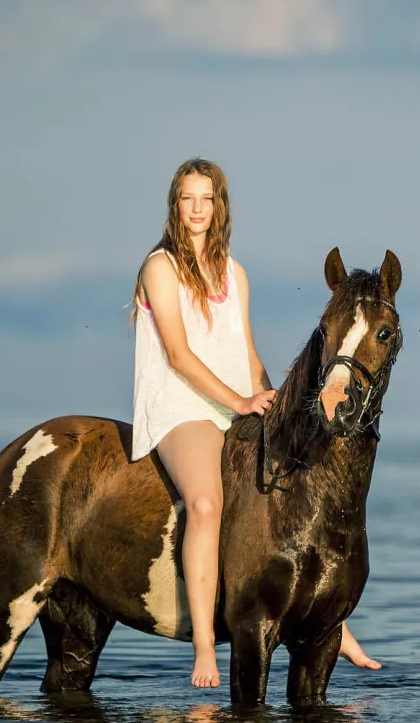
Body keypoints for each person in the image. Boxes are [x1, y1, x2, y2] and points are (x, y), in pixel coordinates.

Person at [128, 157, 381, 689]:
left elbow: (244, 351)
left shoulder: (233, 273)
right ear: (175, 206)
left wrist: (273, 398)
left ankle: (333, 620)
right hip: (181, 408)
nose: (197, 209)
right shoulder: (160, 267)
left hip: (231, 403)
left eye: (207, 199)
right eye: (187, 199)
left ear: (220, 206)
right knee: (207, 504)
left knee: (291, 505)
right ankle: (202, 645)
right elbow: (177, 355)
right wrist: (239, 404)